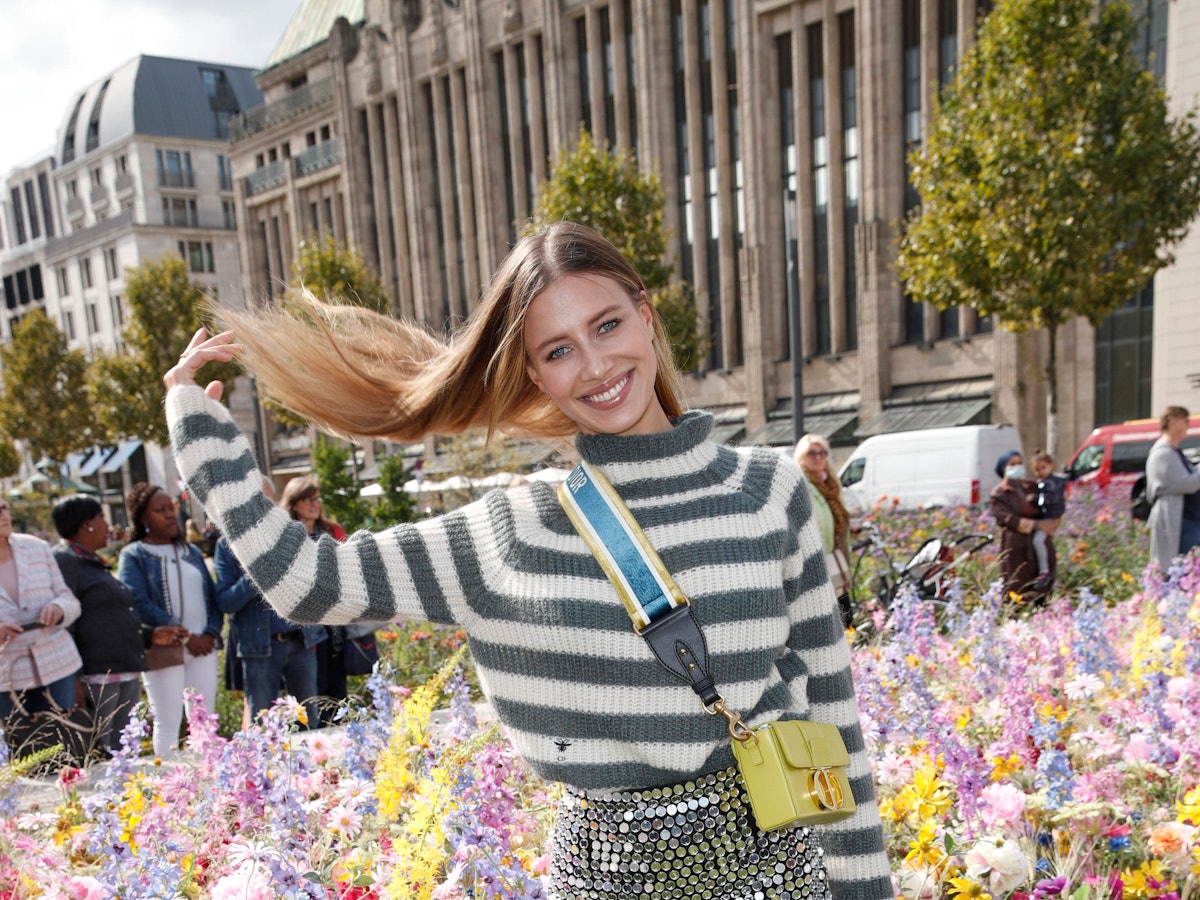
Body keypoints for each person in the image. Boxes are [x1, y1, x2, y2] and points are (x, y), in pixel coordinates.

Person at [163, 222, 891, 900]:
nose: (597, 364)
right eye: (558, 349)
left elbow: (831, 710)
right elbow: (308, 582)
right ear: (535, 375)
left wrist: (865, 890)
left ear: (646, 313)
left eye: (607, 325)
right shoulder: (513, 530)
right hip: (605, 878)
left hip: (774, 875)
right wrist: (197, 425)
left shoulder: (770, 492)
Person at [50, 494, 188, 755]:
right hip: (98, 674)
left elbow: (110, 617)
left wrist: (150, 636)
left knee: (126, 751)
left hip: (123, 667)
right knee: (105, 753)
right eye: (102, 517)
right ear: (86, 524)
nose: (108, 525)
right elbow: (66, 624)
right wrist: (73, 680)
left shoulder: (91, 563)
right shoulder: (66, 562)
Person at [117, 483, 223, 756]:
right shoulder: (134, 554)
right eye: (160, 510)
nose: (168, 514)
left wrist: (210, 633)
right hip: (164, 648)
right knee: (167, 723)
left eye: (171, 508)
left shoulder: (192, 552)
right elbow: (137, 601)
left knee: (204, 722)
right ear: (143, 518)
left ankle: (209, 784)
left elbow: (212, 598)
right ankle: (170, 790)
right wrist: (187, 636)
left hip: (203, 647)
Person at [215, 478, 326, 726]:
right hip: (259, 649)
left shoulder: (293, 535)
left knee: (308, 723)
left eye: (267, 501)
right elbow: (226, 602)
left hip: (301, 642)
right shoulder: (227, 545)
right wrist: (258, 570)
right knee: (262, 727)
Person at [0, 499, 82, 729]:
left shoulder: (36, 547)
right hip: (8, 676)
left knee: (64, 743)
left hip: (57, 663)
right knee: (21, 751)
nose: (4, 515)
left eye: (5, 507)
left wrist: (58, 608)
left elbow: (69, 600)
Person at [279, 477, 347, 726]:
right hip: (305, 626)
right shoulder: (285, 537)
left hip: (335, 621)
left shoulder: (331, 531)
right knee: (311, 691)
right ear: (294, 504)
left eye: (316, 498)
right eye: (308, 499)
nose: (314, 504)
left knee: (337, 686)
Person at [794, 433, 852, 625]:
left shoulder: (829, 484)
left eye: (822, 452)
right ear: (801, 456)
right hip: (818, 559)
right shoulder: (802, 484)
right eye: (812, 453)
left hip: (834, 557)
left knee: (843, 610)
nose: (818, 457)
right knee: (834, 616)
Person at [989, 450, 1054, 602]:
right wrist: (1035, 525)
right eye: (1012, 464)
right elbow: (1008, 519)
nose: (1017, 467)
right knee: (1016, 585)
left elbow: (1044, 505)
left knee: (1041, 587)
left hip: (1037, 542)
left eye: (1019, 463)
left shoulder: (1030, 487)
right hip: (1016, 545)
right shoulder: (999, 494)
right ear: (1003, 468)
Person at [1145, 406, 1200, 573]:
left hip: (1187, 519)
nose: (1188, 426)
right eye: (1186, 421)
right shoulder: (1163, 454)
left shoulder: (1173, 452)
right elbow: (1186, 483)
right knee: (1182, 568)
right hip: (1177, 522)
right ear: (1173, 421)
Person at [1029, 449, 1067, 592]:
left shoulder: (1052, 483)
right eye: (1037, 470)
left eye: (1043, 468)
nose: (1040, 472)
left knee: (1038, 541)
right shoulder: (1042, 482)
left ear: (1051, 465)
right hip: (1045, 518)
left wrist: (1033, 498)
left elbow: (1049, 499)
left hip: (1050, 518)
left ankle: (1044, 571)